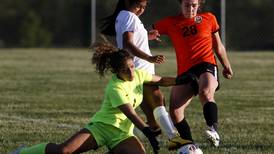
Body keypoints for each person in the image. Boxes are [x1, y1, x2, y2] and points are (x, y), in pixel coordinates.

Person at [11, 42, 192, 154]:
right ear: (116, 71)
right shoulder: (115, 87)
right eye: (125, 69)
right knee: (63, 151)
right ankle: (23, 152)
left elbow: (160, 80)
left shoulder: (138, 74)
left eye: (131, 66)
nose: (130, 72)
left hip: (122, 134)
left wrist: (180, 80)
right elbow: (130, 113)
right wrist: (146, 131)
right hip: (102, 128)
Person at [100, 0, 191, 150]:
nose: (141, 10)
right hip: (140, 69)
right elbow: (128, 43)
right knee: (158, 99)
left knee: (154, 123)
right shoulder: (129, 16)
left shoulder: (124, 16)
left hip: (137, 69)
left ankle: (122, 136)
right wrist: (149, 58)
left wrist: (147, 36)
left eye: (144, 7)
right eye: (138, 6)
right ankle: (173, 138)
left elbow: (132, 39)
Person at [153, 0, 233, 147]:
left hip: (206, 64)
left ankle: (213, 130)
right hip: (185, 71)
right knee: (175, 111)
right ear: (180, 4)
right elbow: (147, 32)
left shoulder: (209, 18)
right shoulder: (170, 22)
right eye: (187, 5)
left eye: (194, 5)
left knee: (205, 93)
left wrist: (226, 66)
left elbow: (219, 46)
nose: (190, 8)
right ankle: (190, 146)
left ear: (199, 5)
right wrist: (150, 35)